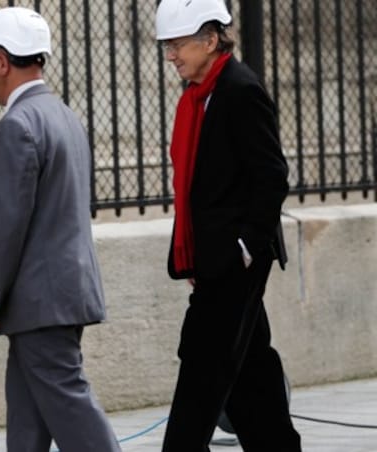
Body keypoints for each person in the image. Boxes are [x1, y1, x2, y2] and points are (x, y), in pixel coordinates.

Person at [0, 7, 122, 452]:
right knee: (28, 416)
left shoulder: (18, 125)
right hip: (59, 293)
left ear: (1, 61)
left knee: (70, 406)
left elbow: (6, 222)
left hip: (40, 299)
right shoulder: (62, 115)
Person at [155, 0, 302, 450]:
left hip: (233, 262)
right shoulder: (197, 96)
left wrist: (244, 247)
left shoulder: (240, 90)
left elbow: (271, 174)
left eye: (178, 44)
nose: (171, 55)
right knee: (249, 373)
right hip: (215, 257)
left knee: (201, 369)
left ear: (211, 39)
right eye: (168, 46)